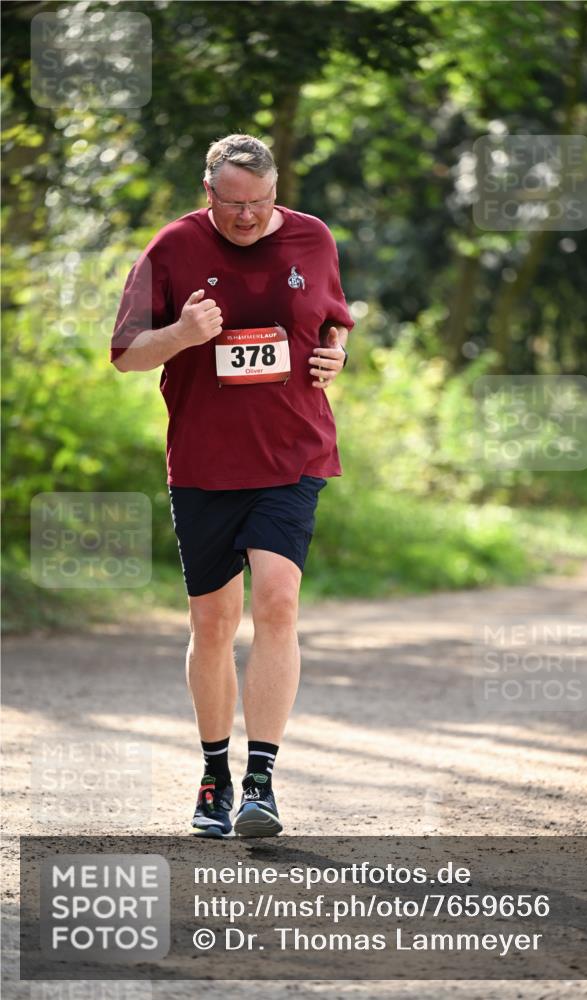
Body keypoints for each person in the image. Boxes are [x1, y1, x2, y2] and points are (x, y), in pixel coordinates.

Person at [110, 134, 353, 838]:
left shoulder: (312, 238)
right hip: (206, 462)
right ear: (206, 191)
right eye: (232, 203)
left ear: (276, 192)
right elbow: (125, 353)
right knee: (213, 623)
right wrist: (183, 333)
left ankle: (260, 782)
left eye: (260, 202)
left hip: (292, 452)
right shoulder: (171, 247)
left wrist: (336, 356)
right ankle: (214, 773)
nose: (247, 217)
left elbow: (334, 323)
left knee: (277, 602)